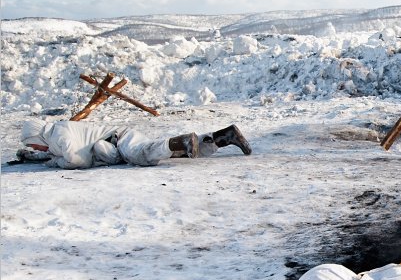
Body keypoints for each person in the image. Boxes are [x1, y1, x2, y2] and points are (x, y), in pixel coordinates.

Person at [15, 119, 251, 169]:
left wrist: (56, 163)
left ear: (37, 137)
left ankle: (178, 141)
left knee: (142, 155)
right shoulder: (54, 137)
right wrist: (31, 156)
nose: (36, 149)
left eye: (33, 145)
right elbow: (59, 154)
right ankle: (224, 136)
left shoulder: (59, 135)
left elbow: (79, 159)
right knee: (187, 153)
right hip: (118, 139)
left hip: (119, 140)